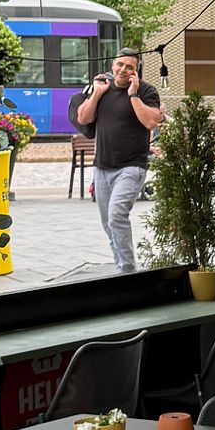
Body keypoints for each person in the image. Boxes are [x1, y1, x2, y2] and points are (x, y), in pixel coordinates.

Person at [74, 50, 163, 272]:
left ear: (136, 71)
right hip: (102, 167)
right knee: (108, 223)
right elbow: (83, 118)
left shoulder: (146, 91)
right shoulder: (103, 88)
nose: (123, 70)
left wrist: (133, 96)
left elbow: (151, 122)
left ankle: (127, 270)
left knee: (116, 215)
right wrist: (96, 94)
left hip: (132, 167)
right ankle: (121, 267)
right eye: (120, 65)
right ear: (113, 65)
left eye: (129, 67)